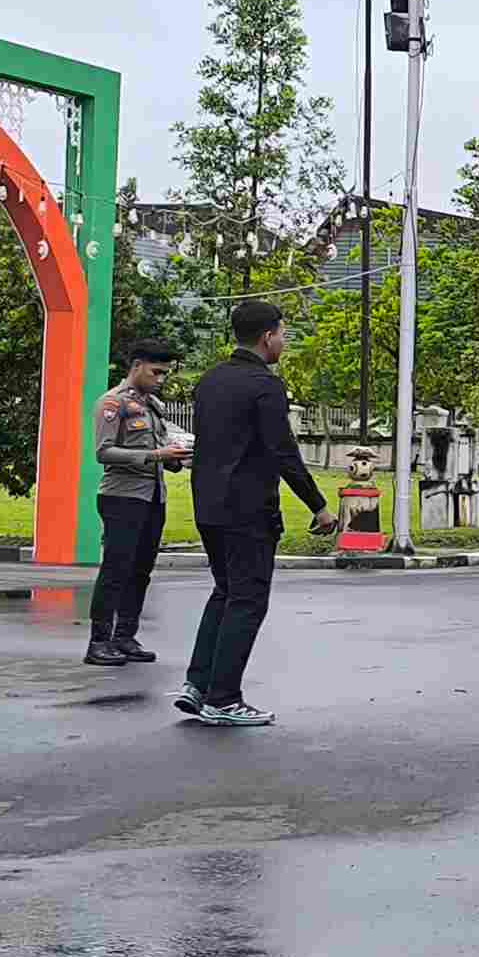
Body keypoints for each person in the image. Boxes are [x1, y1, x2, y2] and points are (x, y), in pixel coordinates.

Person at [181, 300, 336, 726]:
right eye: (283, 334)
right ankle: (224, 698)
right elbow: (282, 451)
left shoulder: (210, 381)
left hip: (208, 505)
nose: (284, 342)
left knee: (226, 592)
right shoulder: (264, 386)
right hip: (248, 507)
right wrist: (319, 506)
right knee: (248, 599)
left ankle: (198, 685)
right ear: (267, 336)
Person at [85, 338, 190, 667]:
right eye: (157, 372)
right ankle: (99, 641)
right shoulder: (112, 403)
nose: (161, 379)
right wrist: (157, 455)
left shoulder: (152, 405)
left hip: (152, 495)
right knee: (116, 569)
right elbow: (103, 452)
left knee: (141, 570)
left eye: (165, 374)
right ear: (137, 366)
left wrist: (172, 459)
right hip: (122, 496)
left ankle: (125, 635)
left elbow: (155, 448)